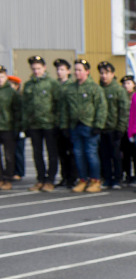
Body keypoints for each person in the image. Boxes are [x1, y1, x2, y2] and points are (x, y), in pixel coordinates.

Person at [65, 58, 106, 193]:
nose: (77, 73)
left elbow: (101, 107)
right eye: (75, 70)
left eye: (80, 70)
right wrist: (64, 125)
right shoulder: (70, 88)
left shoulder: (94, 88)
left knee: (91, 153)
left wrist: (98, 125)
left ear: (87, 72)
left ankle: (95, 180)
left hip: (89, 125)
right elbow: (65, 108)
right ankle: (82, 179)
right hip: (75, 125)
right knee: (78, 154)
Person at [22, 56, 59, 191]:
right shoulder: (28, 85)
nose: (36, 71)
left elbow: (58, 104)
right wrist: (25, 124)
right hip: (34, 124)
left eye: (38, 68)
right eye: (34, 68)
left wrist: (57, 122)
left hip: (49, 124)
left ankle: (50, 180)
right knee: (37, 153)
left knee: (51, 153)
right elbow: (25, 107)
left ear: (44, 68)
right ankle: (40, 179)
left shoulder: (51, 84)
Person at [98, 62, 129, 189]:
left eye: (107, 73)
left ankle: (117, 178)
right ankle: (107, 177)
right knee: (104, 155)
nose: (104, 76)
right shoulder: (98, 89)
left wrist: (120, 128)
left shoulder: (118, 90)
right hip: (102, 127)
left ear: (112, 74)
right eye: (102, 73)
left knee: (116, 155)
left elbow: (123, 110)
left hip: (114, 128)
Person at [52, 58, 78, 188]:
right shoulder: (54, 86)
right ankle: (64, 176)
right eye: (57, 69)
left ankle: (73, 177)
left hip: (69, 124)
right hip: (56, 124)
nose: (59, 72)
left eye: (62, 69)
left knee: (72, 153)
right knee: (61, 153)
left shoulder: (72, 86)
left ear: (68, 71)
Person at [120, 74, 136, 184]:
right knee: (125, 154)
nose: (126, 85)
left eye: (128, 83)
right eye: (124, 83)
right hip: (124, 129)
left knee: (135, 154)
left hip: (134, 129)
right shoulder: (121, 96)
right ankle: (127, 174)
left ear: (133, 85)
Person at [0, 71, 18, 190]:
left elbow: (16, 111)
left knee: (9, 155)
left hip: (8, 127)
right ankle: (0, 178)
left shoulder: (11, 92)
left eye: (1, 76)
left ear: (6, 77)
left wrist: (17, 128)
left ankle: (8, 178)